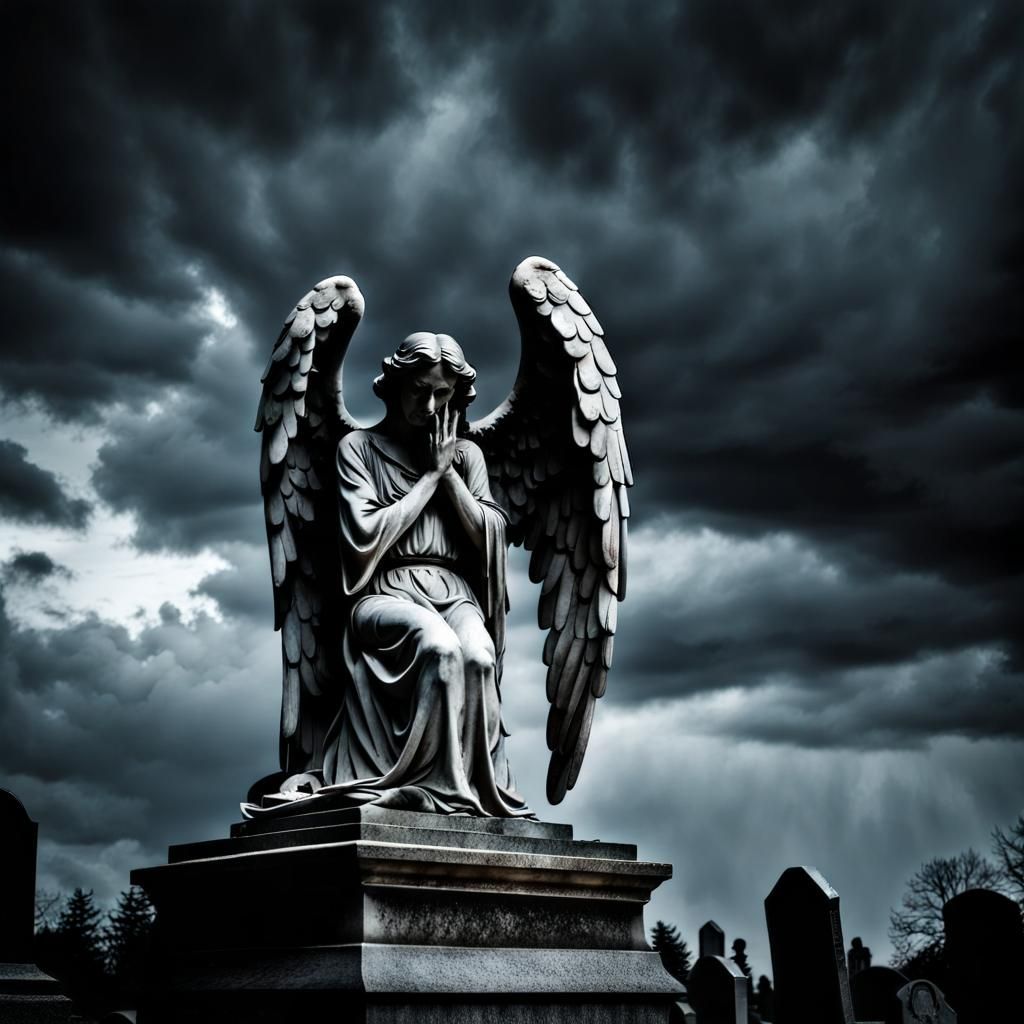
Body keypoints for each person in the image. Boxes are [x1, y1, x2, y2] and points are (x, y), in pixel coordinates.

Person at [319, 332, 530, 816]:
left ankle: (467, 791)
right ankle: (432, 789)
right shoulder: (359, 448)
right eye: (419, 389)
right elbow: (366, 536)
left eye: (443, 394)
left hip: (455, 594)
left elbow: (488, 536)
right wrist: (429, 477)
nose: (430, 404)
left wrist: (449, 471)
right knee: (438, 648)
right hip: (384, 592)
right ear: (394, 384)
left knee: (478, 657)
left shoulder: (468, 456)